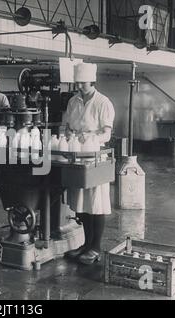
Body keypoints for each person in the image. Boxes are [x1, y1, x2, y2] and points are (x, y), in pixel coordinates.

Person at [62, 62, 115, 265]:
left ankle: (96, 247)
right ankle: (85, 244)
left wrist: (90, 137)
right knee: (81, 203)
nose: (79, 87)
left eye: (83, 83)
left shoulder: (103, 102)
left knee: (96, 203)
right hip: (77, 157)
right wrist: (68, 132)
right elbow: (68, 125)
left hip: (94, 159)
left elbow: (107, 133)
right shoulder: (73, 101)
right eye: (78, 83)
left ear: (91, 81)